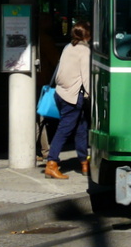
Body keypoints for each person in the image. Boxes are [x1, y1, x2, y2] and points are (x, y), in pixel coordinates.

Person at [45, 21, 91, 180]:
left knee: (81, 127)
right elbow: (86, 76)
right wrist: (89, 95)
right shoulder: (84, 51)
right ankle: (51, 163)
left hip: (61, 93)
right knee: (64, 130)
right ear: (88, 35)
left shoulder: (67, 47)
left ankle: (83, 162)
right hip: (73, 96)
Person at [35, 14, 61, 164]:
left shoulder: (39, 38)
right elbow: (56, 60)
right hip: (42, 82)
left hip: (37, 81)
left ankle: (44, 149)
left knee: (38, 118)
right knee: (40, 117)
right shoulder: (45, 39)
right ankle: (44, 150)